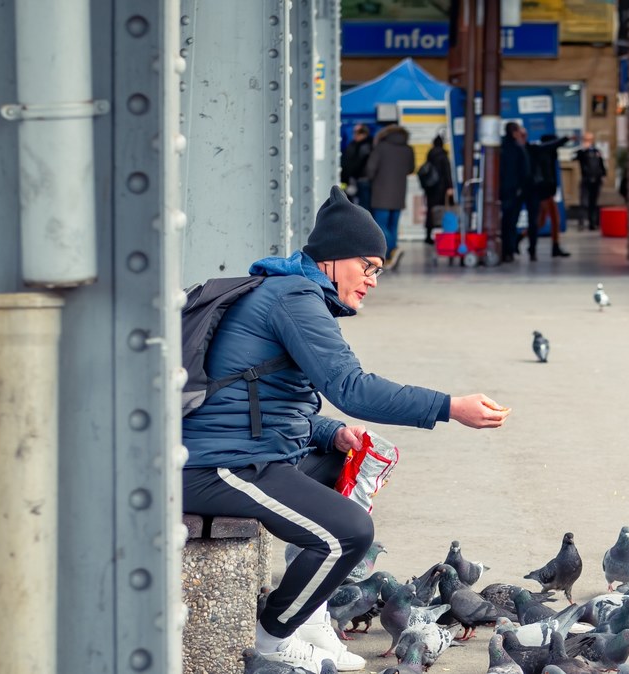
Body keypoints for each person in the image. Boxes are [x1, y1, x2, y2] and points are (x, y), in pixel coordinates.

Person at [181, 185, 509, 673]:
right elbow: (352, 387)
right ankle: (273, 637)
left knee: (342, 465)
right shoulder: (293, 296)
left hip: (247, 449)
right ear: (333, 259)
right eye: (368, 266)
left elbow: (261, 399)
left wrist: (330, 433)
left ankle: (309, 614)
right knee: (348, 533)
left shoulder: (291, 292)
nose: (374, 280)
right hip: (218, 465)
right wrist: (448, 406)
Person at [365, 124, 415, 269]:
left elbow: (370, 169)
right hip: (399, 193)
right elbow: (411, 169)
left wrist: (371, 178)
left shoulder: (381, 147)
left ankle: (390, 251)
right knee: (393, 225)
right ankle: (392, 253)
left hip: (381, 192)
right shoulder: (408, 149)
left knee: (381, 225)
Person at [526, 133, 572, 260]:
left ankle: (522, 237)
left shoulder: (547, 154)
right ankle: (554, 246)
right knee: (550, 220)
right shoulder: (543, 153)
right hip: (544, 191)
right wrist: (566, 138)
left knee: (544, 220)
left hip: (547, 191)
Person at [499, 121, 531, 263]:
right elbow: (525, 171)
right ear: (514, 132)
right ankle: (509, 250)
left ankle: (503, 249)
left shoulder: (500, 147)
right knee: (511, 222)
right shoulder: (518, 149)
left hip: (501, 190)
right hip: (514, 191)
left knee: (504, 221)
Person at [419, 135, 453, 245]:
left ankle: (428, 235)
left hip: (430, 188)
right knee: (443, 211)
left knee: (431, 212)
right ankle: (444, 235)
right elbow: (447, 173)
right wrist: (449, 186)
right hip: (441, 188)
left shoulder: (430, 155)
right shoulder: (443, 156)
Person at [575, 132, 607, 231]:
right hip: (586, 179)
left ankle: (592, 223)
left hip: (596, 179)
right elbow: (576, 157)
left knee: (593, 202)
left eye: (590, 140)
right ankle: (581, 223)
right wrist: (584, 149)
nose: (588, 142)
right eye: (586, 140)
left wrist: (603, 175)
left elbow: (601, 164)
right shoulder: (582, 152)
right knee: (584, 201)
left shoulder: (597, 152)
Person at [340, 124, 372, 210]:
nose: (355, 135)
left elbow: (357, 164)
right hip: (352, 180)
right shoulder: (354, 144)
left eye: (357, 132)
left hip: (361, 180)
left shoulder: (366, 146)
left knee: (363, 205)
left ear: (364, 134)